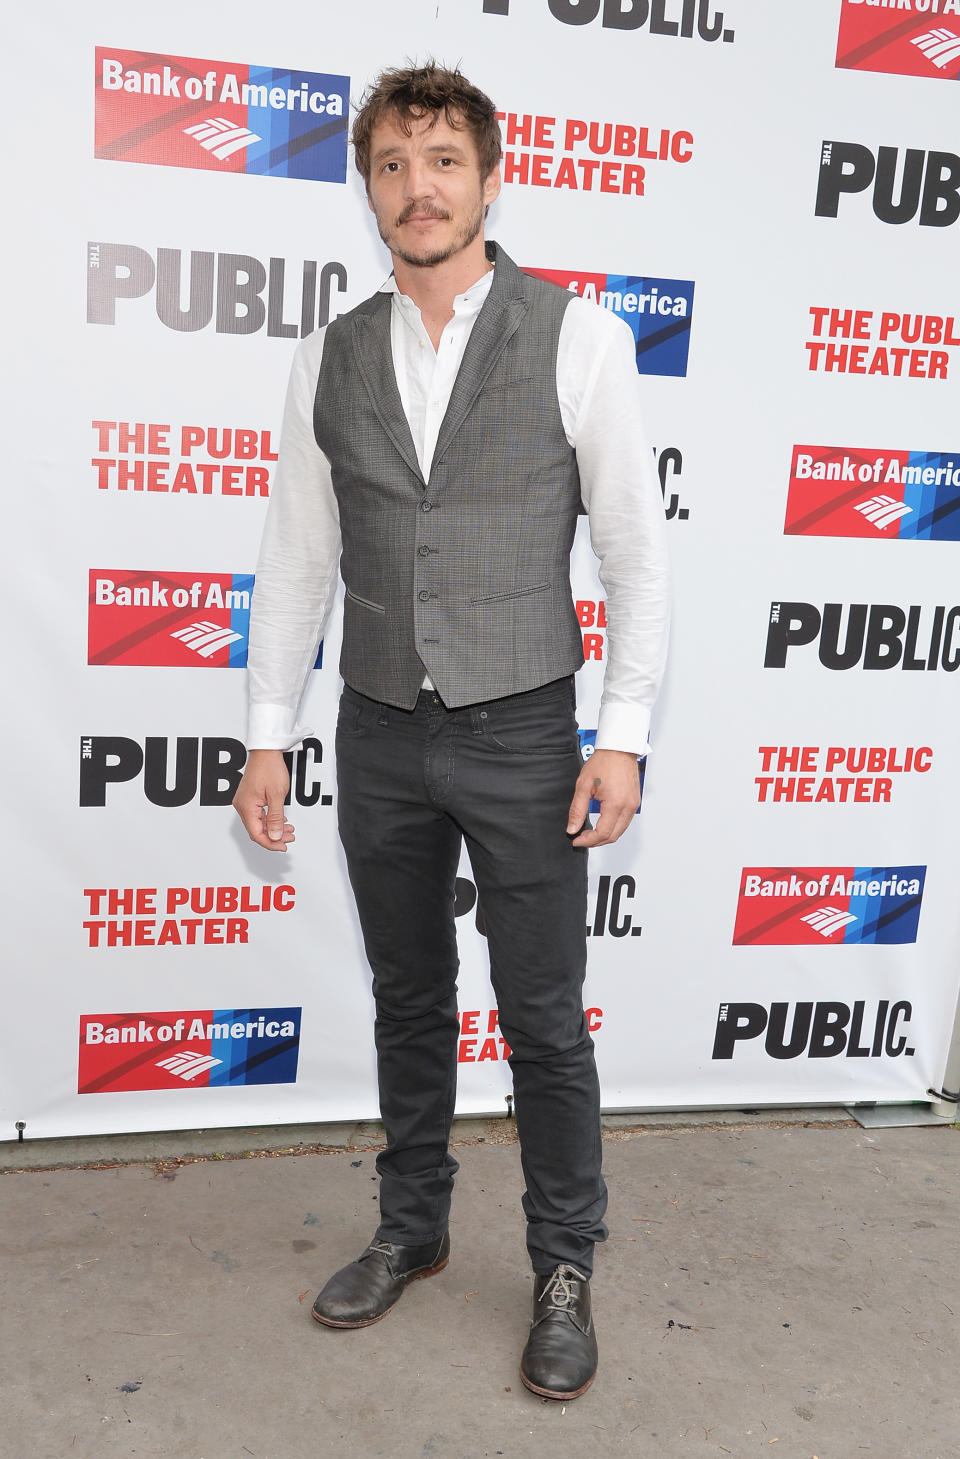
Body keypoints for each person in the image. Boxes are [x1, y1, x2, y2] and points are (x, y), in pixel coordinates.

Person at [233, 61, 669, 1401]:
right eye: (390, 165)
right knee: (409, 999)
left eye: (441, 161)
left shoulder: (579, 335)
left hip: (527, 730)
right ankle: (412, 1226)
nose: (416, 188)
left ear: (490, 175)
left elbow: (635, 557)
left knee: (543, 1017)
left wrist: (623, 734)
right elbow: (298, 559)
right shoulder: (331, 353)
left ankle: (563, 1264)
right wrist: (264, 732)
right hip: (376, 732)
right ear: (367, 188)